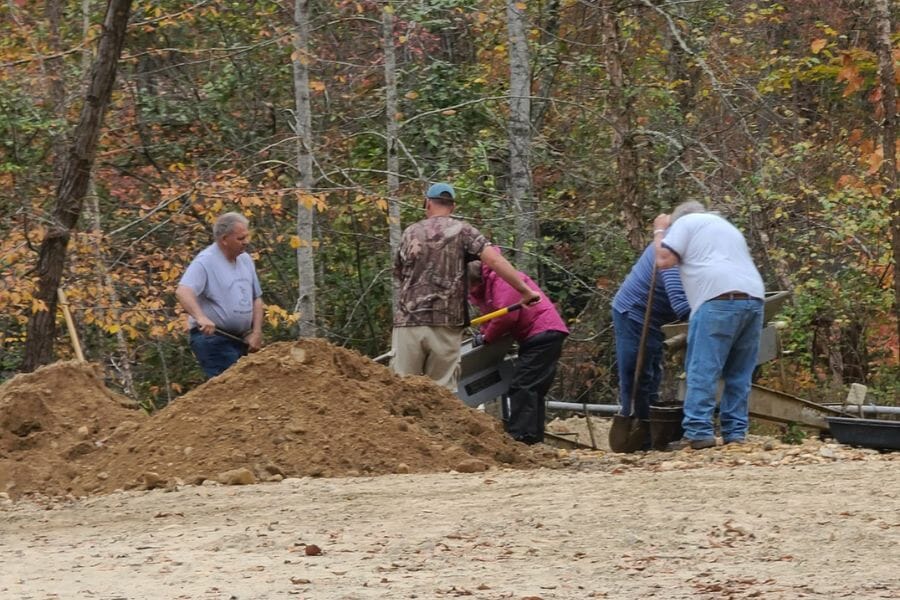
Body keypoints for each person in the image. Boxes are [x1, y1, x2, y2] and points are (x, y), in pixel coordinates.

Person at [391, 182, 540, 391]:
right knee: (440, 396)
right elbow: (495, 261)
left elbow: (398, 274)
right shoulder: (464, 231)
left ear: (427, 204)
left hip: (408, 322)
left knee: (402, 389)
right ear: (452, 207)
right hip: (446, 323)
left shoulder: (409, 233)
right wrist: (525, 291)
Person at [654, 200, 765, 449]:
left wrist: (660, 230)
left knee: (703, 369)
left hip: (717, 298)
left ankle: (698, 432)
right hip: (754, 298)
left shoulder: (683, 222)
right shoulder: (726, 226)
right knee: (739, 372)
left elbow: (663, 260)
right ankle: (735, 433)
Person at [468, 258, 568, 445]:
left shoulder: (502, 280)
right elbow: (494, 315)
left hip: (542, 332)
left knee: (524, 385)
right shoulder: (489, 288)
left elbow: (507, 317)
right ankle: (533, 438)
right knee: (533, 388)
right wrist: (484, 333)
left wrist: (487, 338)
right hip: (540, 334)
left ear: (476, 279)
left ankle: (522, 437)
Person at [176, 212, 264, 378]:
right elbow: (183, 291)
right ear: (224, 239)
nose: (246, 242)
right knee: (234, 387)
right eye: (240, 238)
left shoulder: (245, 260)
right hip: (214, 339)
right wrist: (200, 317)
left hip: (241, 339)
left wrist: (256, 332)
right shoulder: (205, 261)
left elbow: (256, 298)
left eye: (246, 236)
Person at [612, 243, 691, 422]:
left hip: (659, 317)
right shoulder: (671, 246)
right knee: (636, 374)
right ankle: (634, 422)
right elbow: (679, 301)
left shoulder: (696, 246)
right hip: (633, 312)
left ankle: (650, 422)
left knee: (653, 371)